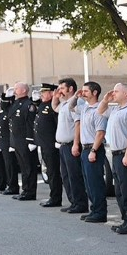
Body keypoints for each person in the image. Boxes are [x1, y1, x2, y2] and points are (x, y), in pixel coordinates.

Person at [100, 82, 127, 234]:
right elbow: (100, 111)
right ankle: (125, 220)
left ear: (126, 94)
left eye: (116, 91)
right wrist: (105, 100)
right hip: (117, 154)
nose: (113, 93)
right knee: (119, 190)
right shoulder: (116, 109)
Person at [76, 81, 109, 224]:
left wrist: (94, 150)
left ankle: (100, 212)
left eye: (85, 91)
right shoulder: (84, 108)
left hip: (93, 148)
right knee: (88, 182)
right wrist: (76, 96)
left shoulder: (99, 110)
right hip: (85, 149)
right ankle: (94, 210)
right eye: (82, 91)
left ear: (95, 93)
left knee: (96, 182)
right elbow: (71, 107)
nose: (83, 93)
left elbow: (100, 133)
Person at [55, 79, 88, 214]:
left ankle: (80, 203)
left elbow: (78, 123)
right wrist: (55, 96)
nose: (60, 90)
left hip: (71, 145)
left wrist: (75, 144)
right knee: (66, 176)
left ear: (70, 89)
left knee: (74, 176)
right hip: (63, 146)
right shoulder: (64, 104)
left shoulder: (76, 103)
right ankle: (73, 202)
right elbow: (54, 108)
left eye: (62, 88)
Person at [7, 82, 39, 200]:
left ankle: (30, 192)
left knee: (29, 167)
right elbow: (7, 113)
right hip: (17, 141)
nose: (14, 91)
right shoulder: (16, 103)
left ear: (24, 90)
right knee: (23, 167)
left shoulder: (28, 105)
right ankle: (25, 190)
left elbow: (31, 124)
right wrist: (7, 97)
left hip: (25, 140)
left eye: (16, 89)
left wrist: (31, 140)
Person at [36, 83, 63, 207]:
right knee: (50, 172)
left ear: (52, 93)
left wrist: (57, 142)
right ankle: (53, 196)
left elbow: (58, 124)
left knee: (54, 172)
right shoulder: (42, 105)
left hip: (52, 145)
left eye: (44, 92)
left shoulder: (54, 107)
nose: (41, 94)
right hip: (44, 144)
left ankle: (55, 198)